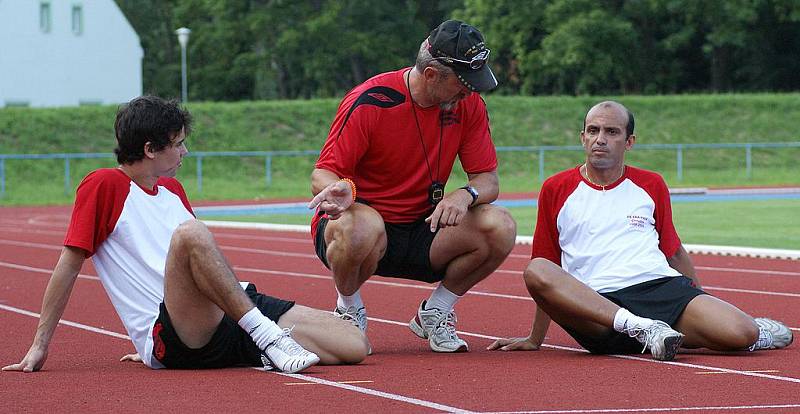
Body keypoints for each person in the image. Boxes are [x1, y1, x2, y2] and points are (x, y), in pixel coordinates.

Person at [3, 96, 368, 374]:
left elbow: (200, 269)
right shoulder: (104, 185)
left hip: (222, 311)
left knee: (354, 343)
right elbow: (68, 265)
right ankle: (268, 338)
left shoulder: (173, 191)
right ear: (149, 149)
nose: (184, 151)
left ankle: (257, 344)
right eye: (177, 144)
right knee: (191, 234)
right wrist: (40, 345)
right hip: (175, 332)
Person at [488, 101, 792, 360]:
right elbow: (548, 267)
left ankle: (728, 334)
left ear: (629, 141)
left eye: (611, 132)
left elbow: (672, 251)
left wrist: (701, 301)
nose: (600, 139)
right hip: (597, 305)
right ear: (582, 138)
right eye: (593, 131)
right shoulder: (556, 188)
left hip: (657, 287)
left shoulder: (651, 184)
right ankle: (642, 328)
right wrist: (535, 338)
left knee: (742, 332)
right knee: (536, 270)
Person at [308, 20, 516, 353]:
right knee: (362, 227)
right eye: (464, 84)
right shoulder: (372, 101)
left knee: (500, 225)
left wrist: (465, 195)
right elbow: (323, 173)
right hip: (365, 227)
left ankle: (436, 312)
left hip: (424, 227)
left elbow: (487, 179)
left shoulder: (468, 104)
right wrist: (340, 189)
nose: (470, 92)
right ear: (432, 75)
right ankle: (348, 308)